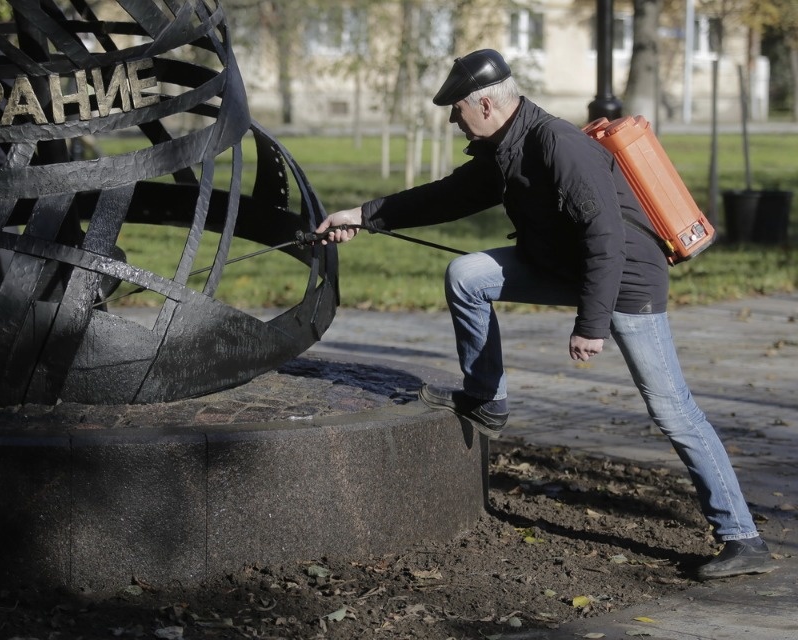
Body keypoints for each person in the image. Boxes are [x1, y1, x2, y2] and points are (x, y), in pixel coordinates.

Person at [315, 49, 777, 581]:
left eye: (456, 110)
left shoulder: (557, 143)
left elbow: (606, 238)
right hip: (564, 267)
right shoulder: (506, 147)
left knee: (672, 408)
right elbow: (445, 197)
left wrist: (591, 324)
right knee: (468, 275)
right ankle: (486, 398)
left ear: (484, 104)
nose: (451, 120)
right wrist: (363, 216)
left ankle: (742, 537)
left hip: (625, 281)